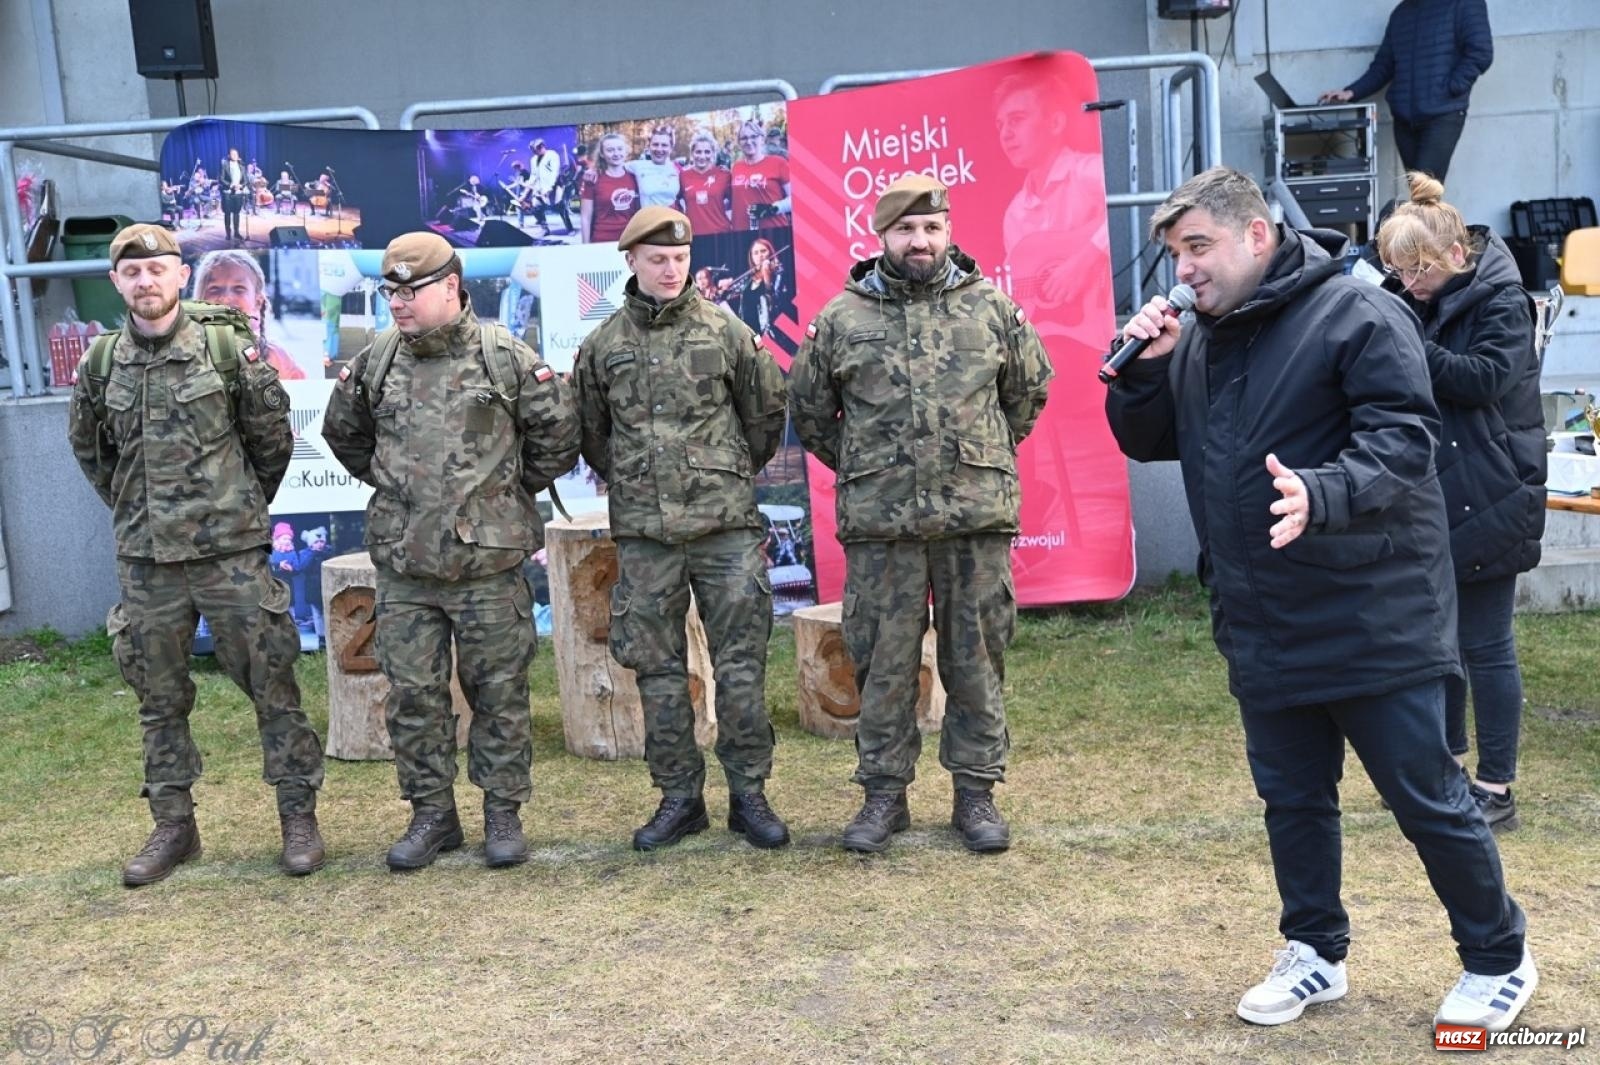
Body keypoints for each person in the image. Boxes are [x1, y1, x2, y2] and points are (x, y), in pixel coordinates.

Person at [1103, 166, 1535, 1032]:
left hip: (1372, 610)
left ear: (1256, 235)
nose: (1183, 270)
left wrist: (1321, 492)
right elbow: (1150, 441)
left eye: (1199, 247)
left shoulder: (1356, 314)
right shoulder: (1198, 336)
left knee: (1426, 795)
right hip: (1262, 617)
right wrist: (1145, 373)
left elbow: (1407, 439)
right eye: (1175, 254)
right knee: (1293, 799)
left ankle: (1498, 957)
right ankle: (1315, 950)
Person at [788, 175, 1054, 855]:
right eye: (907, 230)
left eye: (932, 229)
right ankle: (884, 794)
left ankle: (976, 793)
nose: (921, 241)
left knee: (977, 657)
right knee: (881, 662)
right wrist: (873, 466)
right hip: (883, 523)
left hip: (974, 518)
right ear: (882, 236)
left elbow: (1027, 390)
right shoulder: (843, 319)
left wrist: (978, 456)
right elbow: (814, 414)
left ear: (948, 232)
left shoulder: (991, 308)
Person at [66, 223, 326, 885]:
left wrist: (234, 509)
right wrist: (141, 514)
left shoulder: (224, 347)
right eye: (132, 272)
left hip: (228, 553)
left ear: (181, 275)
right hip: (148, 560)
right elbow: (95, 456)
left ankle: (298, 816)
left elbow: (271, 443)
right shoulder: (101, 364)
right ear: (116, 283)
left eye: (158, 268)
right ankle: (173, 825)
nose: (146, 280)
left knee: (272, 685)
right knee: (158, 697)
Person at [322, 232, 580, 871]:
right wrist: (403, 493)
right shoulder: (376, 361)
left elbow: (558, 436)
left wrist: (499, 495)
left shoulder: (504, 358)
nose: (399, 303)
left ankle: (502, 812)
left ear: (451, 286)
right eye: (391, 292)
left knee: (499, 693)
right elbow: (344, 436)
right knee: (413, 697)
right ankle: (432, 814)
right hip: (407, 569)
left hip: (486, 568)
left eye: (411, 291)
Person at [571, 206, 790, 851]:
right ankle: (679, 797)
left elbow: (764, 416)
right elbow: (592, 433)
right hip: (645, 534)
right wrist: (641, 482)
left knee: (741, 667)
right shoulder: (604, 345)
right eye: (657, 259)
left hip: (724, 530)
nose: (671, 269)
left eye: (681, 257)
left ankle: (749, 793)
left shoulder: (726, 331)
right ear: (632, 261)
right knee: (657, 670)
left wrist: (719, 478)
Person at [1375, 172, 1545, 831]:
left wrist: (1408, 341)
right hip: (1439, 494)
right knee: (1432, 644)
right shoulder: (1422, 291)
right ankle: (1442, 773)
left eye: (1415, 273)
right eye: (1397, 273)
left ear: (1452, 257)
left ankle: (1495, 787)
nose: (1408, 286)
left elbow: (1481, 379)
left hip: (1494, 492)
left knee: (1485, 644)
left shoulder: (1502, 299)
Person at [1318, 0, 1493, 182]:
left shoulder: (1465, 4)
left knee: (1423, 191)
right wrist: (1351, 92)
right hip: (1404, 121)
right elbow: (1383, 66)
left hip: (1442, 115)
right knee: (1419, 194)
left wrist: (1451, 87)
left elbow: (1481, 53)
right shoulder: (1401, 13)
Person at [191, 249, 306, 380]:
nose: (226, 297)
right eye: (214, 288)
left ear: (257, 302)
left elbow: (300, 395)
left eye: (238, 288)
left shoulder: (274, 356)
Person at [580, 132, 640, 244]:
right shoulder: (592, 178)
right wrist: (585, 247)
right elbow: (585, 217)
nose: (616, 153)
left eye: (619, 149)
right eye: (610, 150)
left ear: (625, 151)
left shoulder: (636, 177)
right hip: (602, 240)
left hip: (630, 240)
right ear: (602, 154)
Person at [731, 119, 791, 231]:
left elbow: (796, 199)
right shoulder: (736, 167)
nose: (749, 141)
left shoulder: (778, 163)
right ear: (739, 143)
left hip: (774, 230)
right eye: (744, 138)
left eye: (753, 137)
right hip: (742, 232)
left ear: (762, 139)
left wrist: (771, 209)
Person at [678, 130, 732, 235]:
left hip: (720, 234)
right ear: (692, 153)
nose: (702, 156)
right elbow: (674, 202)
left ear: (713, 153)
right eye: (698, 152)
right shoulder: (683, 176)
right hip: (693, 236)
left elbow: (737, 202)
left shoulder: (724, 175)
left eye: (707, 152)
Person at [625, 127, 682, 209]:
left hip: (670, 219)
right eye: (655, 144)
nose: (659, 149)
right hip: (648, 220)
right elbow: (613, 168)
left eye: (664, 145)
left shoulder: (677, 169)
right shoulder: (637, 166)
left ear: (671, 148)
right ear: (649, 146)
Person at [529, 138, 572, 234]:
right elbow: (533, 175)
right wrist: (529, 185)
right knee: (536, 208)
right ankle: (545, 229)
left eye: (535, 150)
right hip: (539, 189)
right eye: (533, 151)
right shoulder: (533, 159)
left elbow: (555, 172)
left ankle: (569, 228)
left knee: (561, 208)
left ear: (542, 146)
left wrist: (549, 188)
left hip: (554, 188)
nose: (535, 153)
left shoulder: (552, 155)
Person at [219, 148, 247, 242]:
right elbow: (221, 179)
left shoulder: (242, 166)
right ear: (229, 155)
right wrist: (230, 185)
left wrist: (241, 186)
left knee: (236, 213)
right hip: (228, 192)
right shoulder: (225, 165)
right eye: (232, 154)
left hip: (238, 192)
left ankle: (236, 232)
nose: (235, 155)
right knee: (227, 213)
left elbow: (246, 180)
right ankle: (228, 233)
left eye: (236, 154)